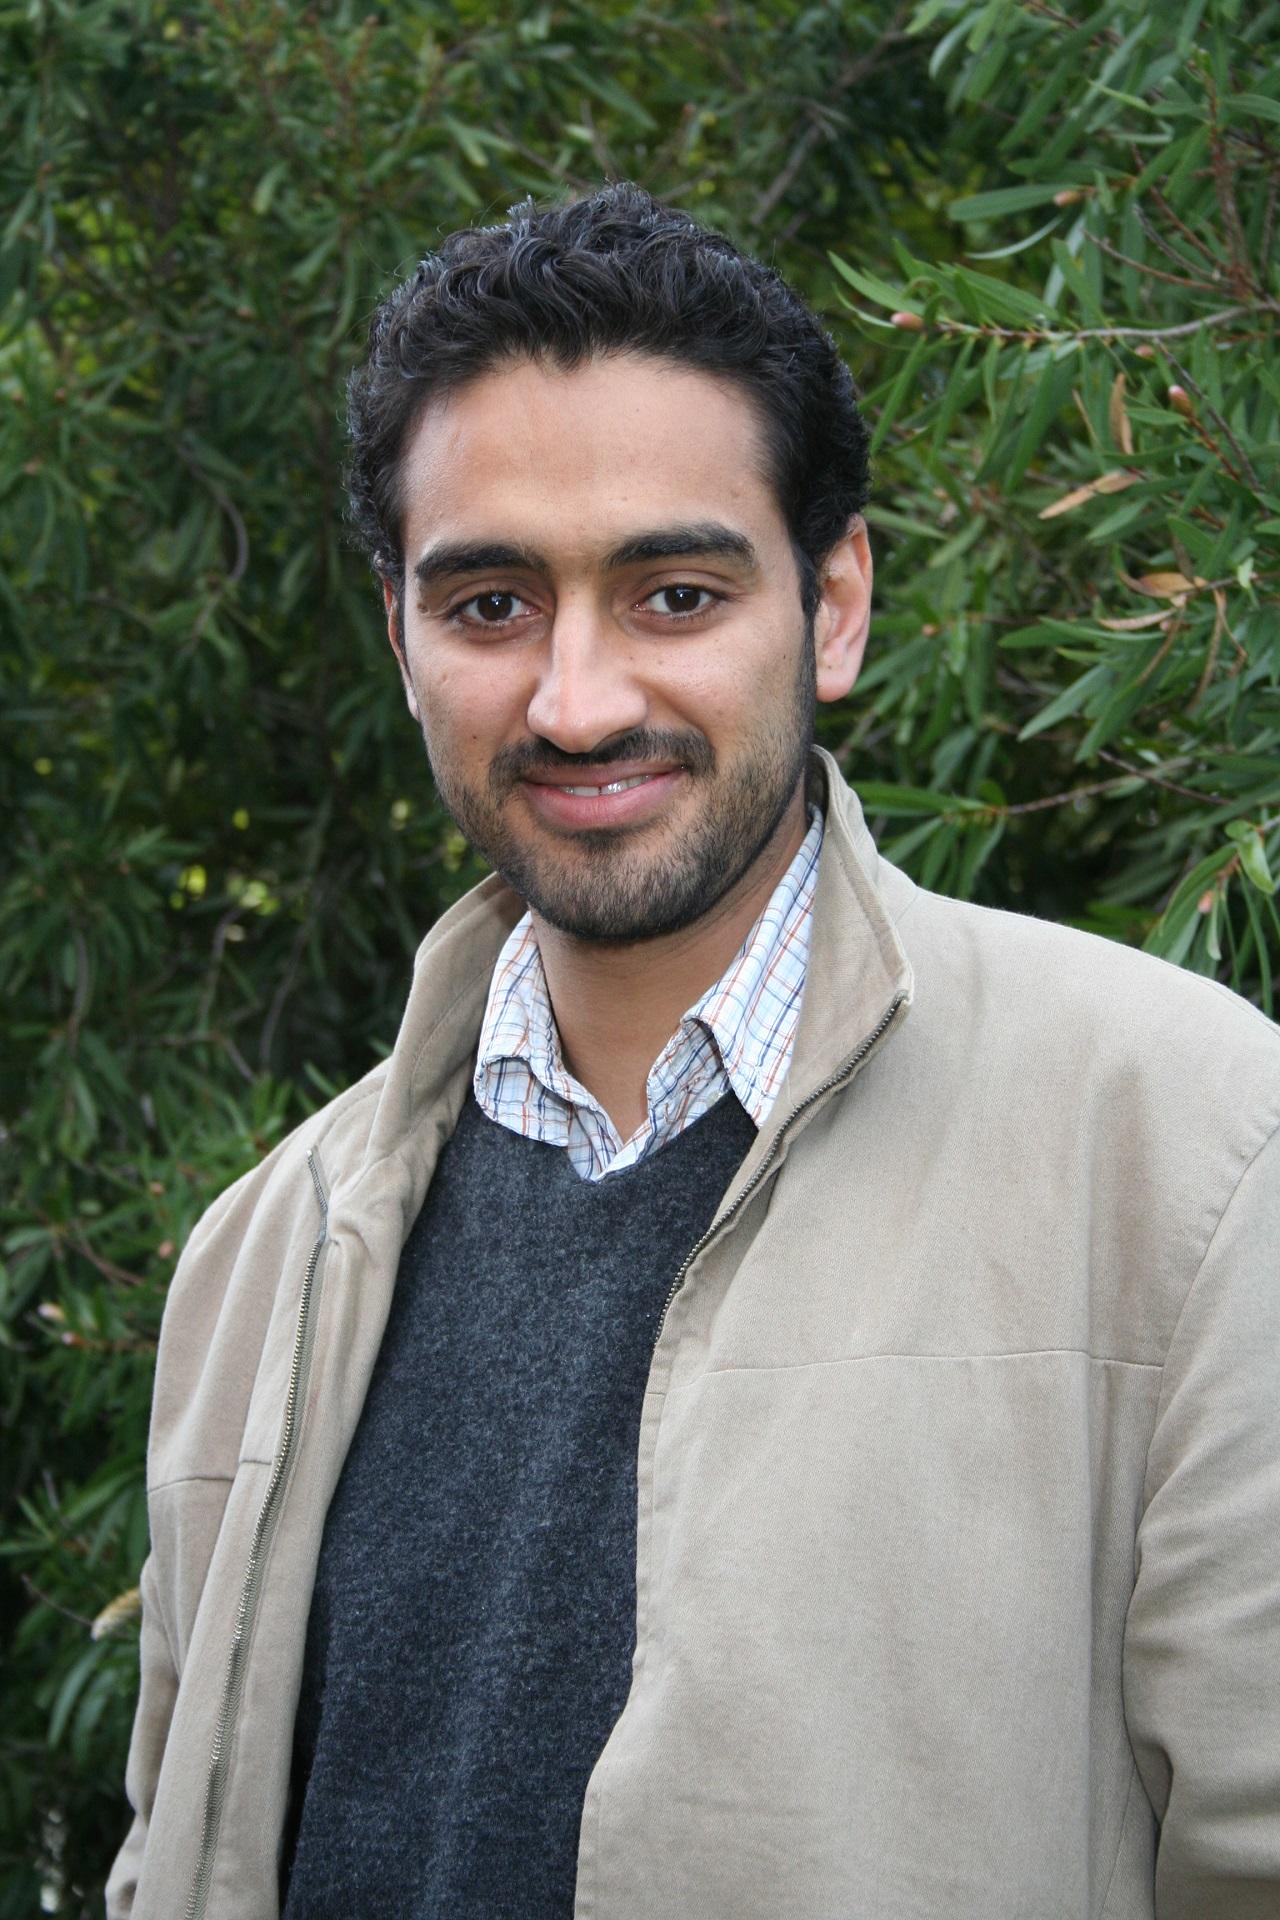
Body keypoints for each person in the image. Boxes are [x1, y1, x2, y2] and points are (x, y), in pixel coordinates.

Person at [108, 184, 1280, 1920]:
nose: (576, 700)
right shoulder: (262, 1259)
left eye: (671, 592)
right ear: (401, 639)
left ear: (836, 605)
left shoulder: (1190, 1148)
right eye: (492, 604)